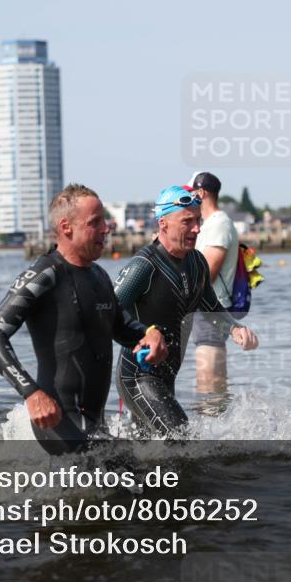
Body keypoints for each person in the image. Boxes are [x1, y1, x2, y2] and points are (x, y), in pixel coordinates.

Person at [0, 184, 166, 454]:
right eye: (95, 222)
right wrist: (31, 394)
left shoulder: (100, 276)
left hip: (94, 423)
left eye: (105, 221)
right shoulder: (45, 274)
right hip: (57, 419)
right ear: (66, 227)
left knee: (150, 475)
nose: (106, 228)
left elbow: (121, 327)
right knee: (129, 482)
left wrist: (150, 332)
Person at [113, 186, 259, 436]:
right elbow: (107, 314)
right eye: (187, 221)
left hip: (166, 378)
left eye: (198, 220)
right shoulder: (144, 266)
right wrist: (144, 333)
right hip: (138, 377)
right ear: (164, 224)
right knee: (183, 439)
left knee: (147, 451)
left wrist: (235, 328)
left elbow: (212, 307)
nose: (197, 228)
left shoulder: (197, 263)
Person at [186, 172, 240, 393]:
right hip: (202, 308)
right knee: (207, 385)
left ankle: (215, 423)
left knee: (210, 386)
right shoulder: (207, 224)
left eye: (190, 194)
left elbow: (209, 273)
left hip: (212, 307)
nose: (187, 199)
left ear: (201, 193)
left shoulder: (219, 224)